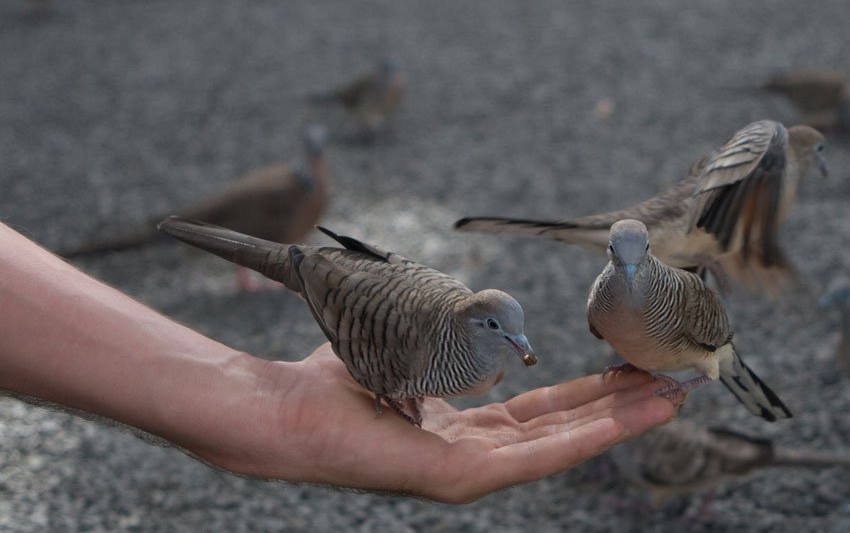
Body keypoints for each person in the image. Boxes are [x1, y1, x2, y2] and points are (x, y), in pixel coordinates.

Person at [0, 222, 680, 504]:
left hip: (375, 282)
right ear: (481, 323)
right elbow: (368, 301)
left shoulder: (464, 330)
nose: (516, 346)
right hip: (351, 298)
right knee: (262, 257)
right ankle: (183, 225)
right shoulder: (411, 354)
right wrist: (384, 388)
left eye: (515, 334)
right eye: (503, 333)